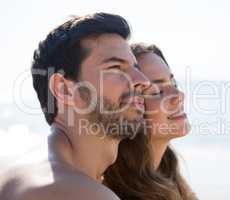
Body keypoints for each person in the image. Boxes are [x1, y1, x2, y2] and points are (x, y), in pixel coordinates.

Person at [0, 13, 150, 200]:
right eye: (116, 68)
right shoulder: (79, 193)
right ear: (64, 89)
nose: (143, 81)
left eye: (136, 68)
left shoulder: (24, 175)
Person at [104, 44, 198, 200]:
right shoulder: (112, 193)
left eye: (173, 83)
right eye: (157, 92)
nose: (179, 95)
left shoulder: (168, 171)